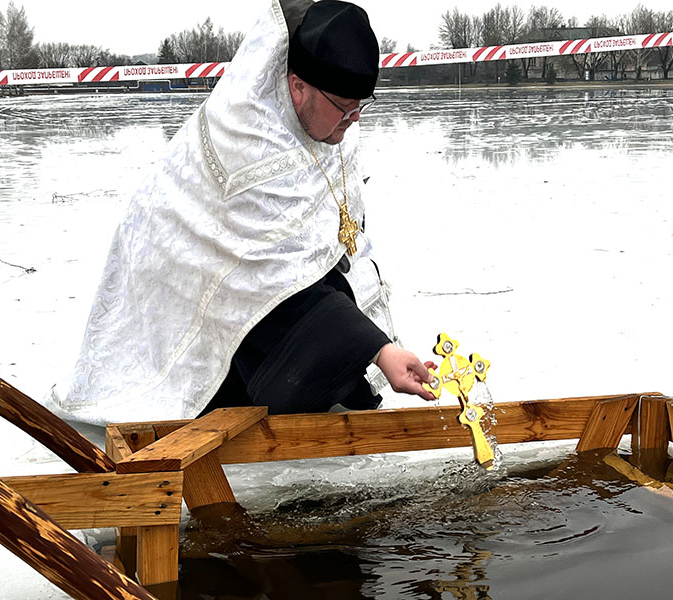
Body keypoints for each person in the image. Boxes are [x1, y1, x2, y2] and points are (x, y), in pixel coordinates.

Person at [48, 0, 435, 426]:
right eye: (345, 106)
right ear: (297, 86)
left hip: (262, 286)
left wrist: (374, 345)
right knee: (294, 337)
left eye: (362, 105)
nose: (353, 119)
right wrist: (378, 349)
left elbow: (317, 248)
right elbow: (276, 281)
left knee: (333, 342)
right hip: (187, 290)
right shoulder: (248, 144)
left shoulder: (329, 123)